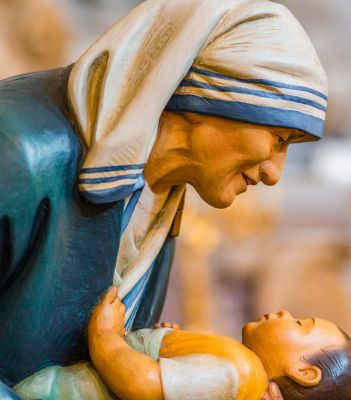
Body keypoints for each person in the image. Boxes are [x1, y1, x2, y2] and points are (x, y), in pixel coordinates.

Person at [0, 0, 327, 396]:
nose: (273, 174)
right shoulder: (19, 153)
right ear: (209, 95)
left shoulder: (161, 199)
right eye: (279, 139)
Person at [13, 287, 351, 400]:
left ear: (304, 372)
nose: (286, 312)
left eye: (301, 324)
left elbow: (143, 383)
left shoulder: (241, 373)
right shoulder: (238, 373)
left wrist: (105, 336)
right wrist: (171, 341)